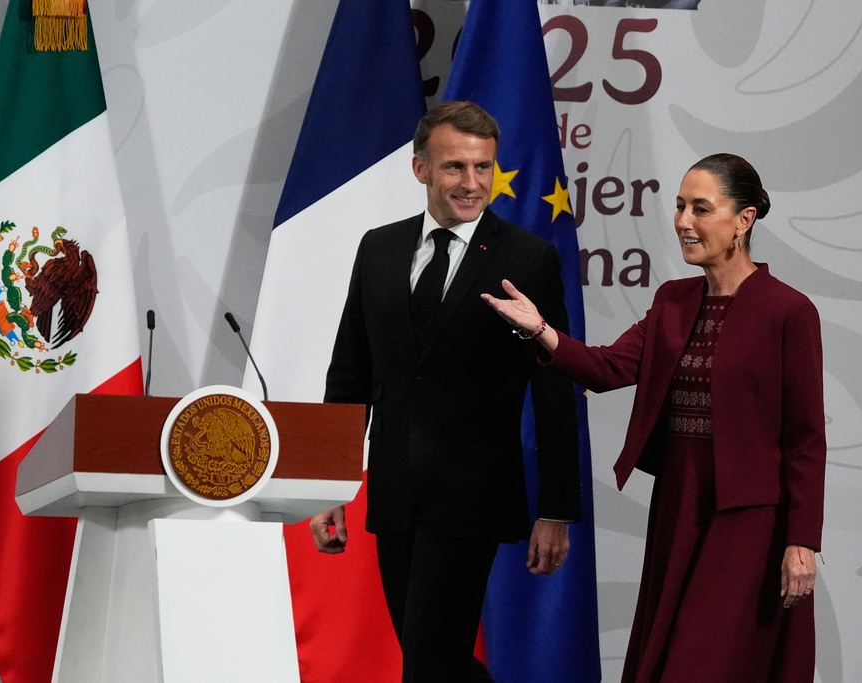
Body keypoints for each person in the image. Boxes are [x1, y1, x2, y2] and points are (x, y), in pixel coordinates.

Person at [483, 153, 825, 682]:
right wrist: (541, 331)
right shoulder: (673, 300)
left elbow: (805, 440)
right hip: (680, 506)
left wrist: (802, 541)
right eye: (680, 206)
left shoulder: (789, 311)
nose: (684, 221)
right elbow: (605, 368)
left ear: (744, 219)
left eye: (701, 209)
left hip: (750, 522)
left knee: (708, 664)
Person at [309, 101, 582, 683]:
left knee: (430, 660)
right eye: (456, 166)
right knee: (434, 658)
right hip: (394, 493)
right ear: (421, 169)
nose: (472, 183)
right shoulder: (378, 249)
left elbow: (554, 388)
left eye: (483, 167)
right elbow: (350, 374)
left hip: (473, 498)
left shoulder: (527, 258)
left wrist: (556, 508)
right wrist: (327, 485)